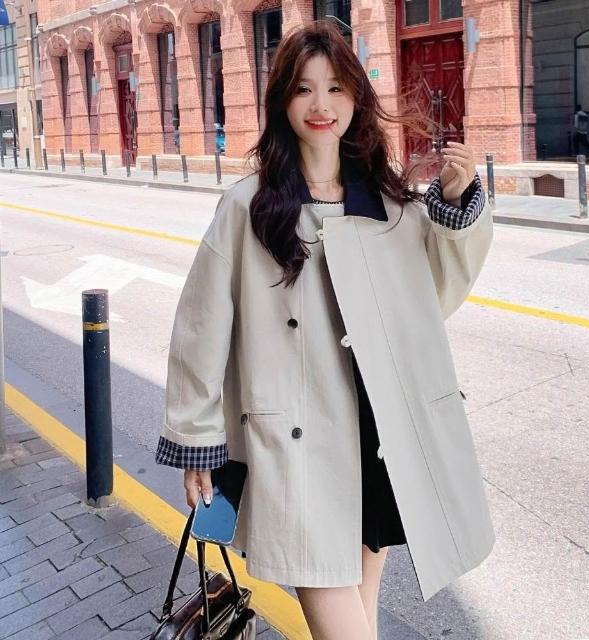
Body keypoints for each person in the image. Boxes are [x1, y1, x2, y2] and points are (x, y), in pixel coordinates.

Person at [155, 20, 495, 640]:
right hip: (296, 442)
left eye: (336, 88)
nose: (321, 105)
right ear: (283, 101)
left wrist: (455, 204)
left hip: (378, 431)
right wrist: (196, 438)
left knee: (361, 612)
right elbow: (201, 327)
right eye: (304, 88)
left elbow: (432, 299)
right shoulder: (250, 206)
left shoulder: (388, 205)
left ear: (355, 98)